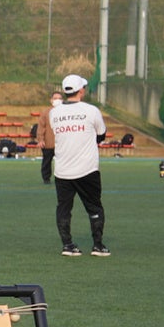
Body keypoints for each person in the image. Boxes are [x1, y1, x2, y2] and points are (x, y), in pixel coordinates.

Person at [48, 73, 108, 257]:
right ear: (81, 90)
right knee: (94, 207)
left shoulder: (54, 113)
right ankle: (98, 245)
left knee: (63, 208)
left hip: (62, 170)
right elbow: (101, 134)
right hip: (87, 169)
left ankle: (67, 245)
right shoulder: (91, 110)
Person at [36, 91, 61, 184]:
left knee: (63, 162)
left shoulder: (66, 112)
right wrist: (40, 139)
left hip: (62, 143)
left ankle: (62, 178)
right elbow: (41, 127)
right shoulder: (46, 112)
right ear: (51, 100)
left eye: (60, 98)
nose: (57, 100)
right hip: (48, 142)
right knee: (47, 162)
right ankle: (46, 178)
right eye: (55, 98)